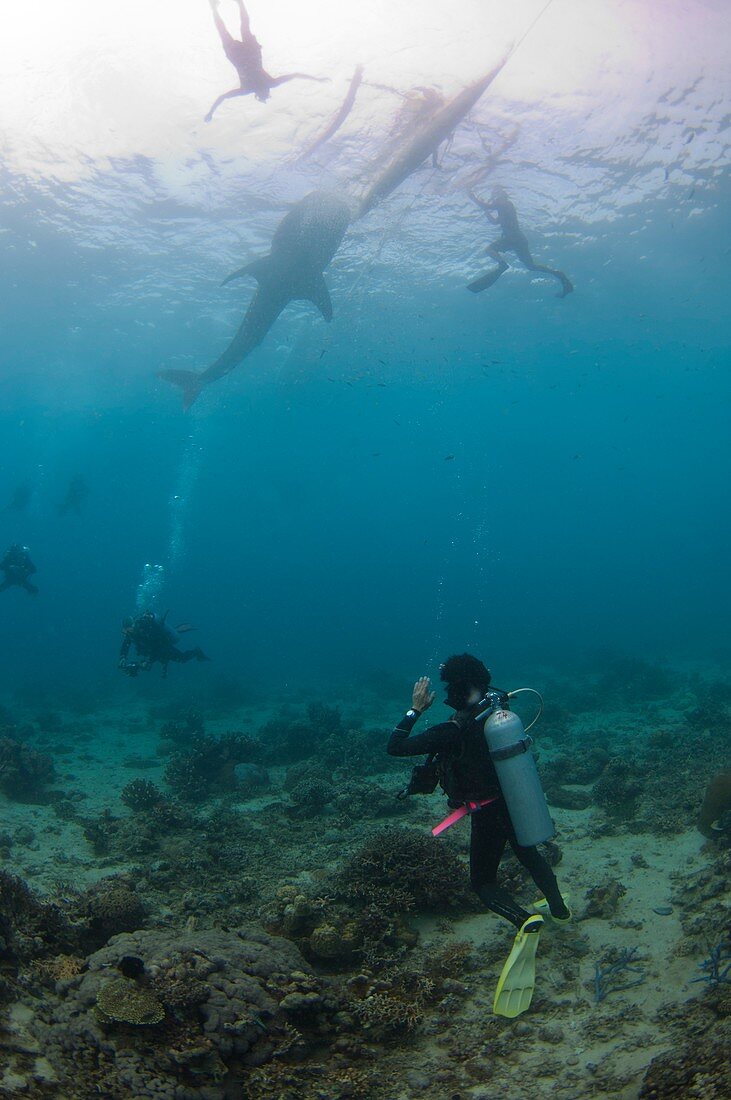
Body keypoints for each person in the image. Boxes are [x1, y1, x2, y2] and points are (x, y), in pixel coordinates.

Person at [388, 653, 570, 1017]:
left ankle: (524, 922)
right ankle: (560, 910)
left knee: (483, 883)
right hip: (513, 799)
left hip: (485, 812)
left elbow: (396, 747)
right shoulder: (498, 711)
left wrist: (415, 710)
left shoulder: (453, 730)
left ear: (457, 687)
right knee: (527, 853)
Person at [205, 0, 327, 122]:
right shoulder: (259, 86)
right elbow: (295, 75)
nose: (264, 91)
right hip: (245, 55)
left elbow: (223, 97)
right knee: (231, 29)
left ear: (258, 95)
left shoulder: (263, 85)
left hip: (245, 55)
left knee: (235, 28)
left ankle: (227, 6)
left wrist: (211, 112)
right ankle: (229, 5)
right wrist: (316, 79)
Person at [467, 187, 573, 298]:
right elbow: (494, 222)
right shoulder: (504, 208)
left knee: (489, 250)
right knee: (531, 266)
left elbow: (486, 206)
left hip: (512, 238)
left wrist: (473, 197)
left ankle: (502, 264)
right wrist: (486, 211)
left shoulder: (505, 204)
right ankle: (560, 275)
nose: (493, 199)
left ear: (501, 196)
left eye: (495, 196)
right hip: (519, 240)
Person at [118, 610, 209, 678]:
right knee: (159, 659)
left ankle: (196, 651)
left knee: (182, 658)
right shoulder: (131, 634)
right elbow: (126, 643)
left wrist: (148, 662)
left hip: (163, 646)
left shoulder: (147, 629)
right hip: (152, 649)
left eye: (129, 629)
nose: (128, 633)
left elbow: (157, 646)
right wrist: (123, 657)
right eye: (126, 631)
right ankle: (177, 631)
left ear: (134, 625)